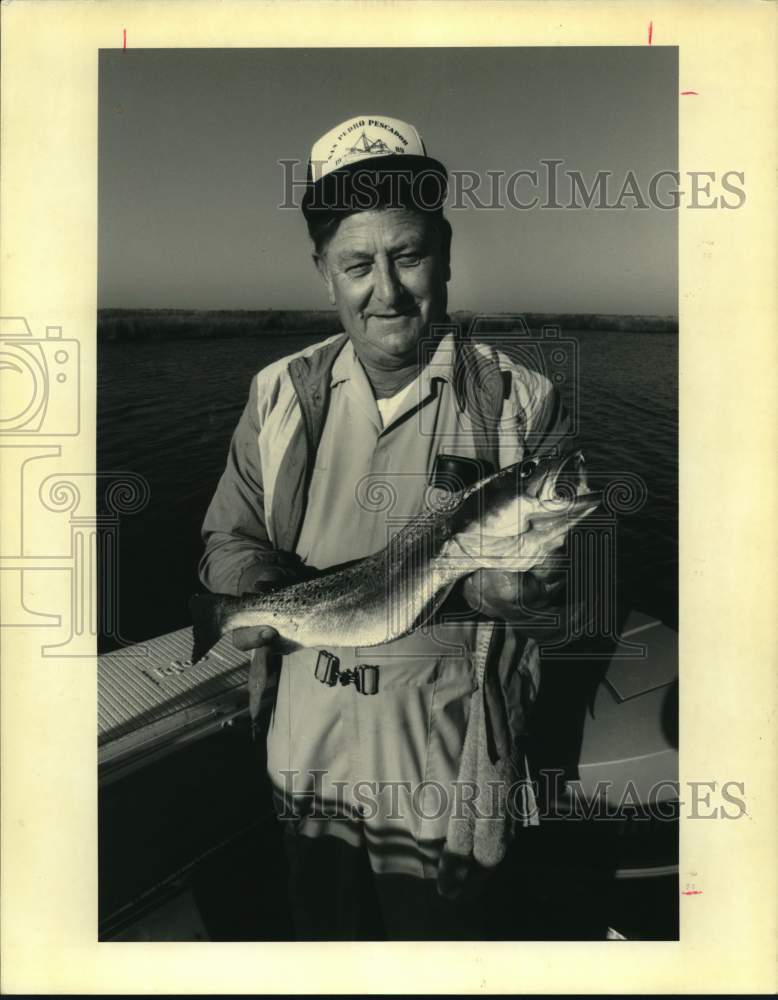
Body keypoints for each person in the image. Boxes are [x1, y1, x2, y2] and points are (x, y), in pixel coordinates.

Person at [198, 115, 588, 940]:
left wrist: (521, 593)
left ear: (445, 255)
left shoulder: (523, 402)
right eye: (358, 264)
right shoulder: (276, 392)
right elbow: (227, 544)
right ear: (323, 274)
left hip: (447, 785)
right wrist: (259, 598)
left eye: (409, 257)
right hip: (305, 772)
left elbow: (564, 611)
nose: (388, 290)